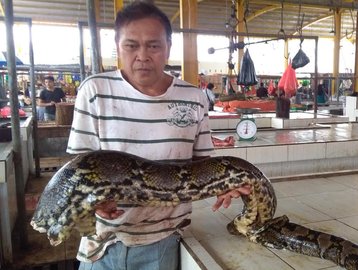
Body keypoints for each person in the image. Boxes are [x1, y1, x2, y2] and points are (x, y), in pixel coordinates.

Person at [66, 2, 250, 269]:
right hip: (104, 246)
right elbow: (79, 169)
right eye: (131, 45)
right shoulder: (94, 92)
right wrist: (93, 202)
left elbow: (203, 168)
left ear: (168, 48)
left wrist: (226, 184)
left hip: (164, 243)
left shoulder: (194, 98)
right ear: (117, 45)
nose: (143, 55)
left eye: (153, 45)